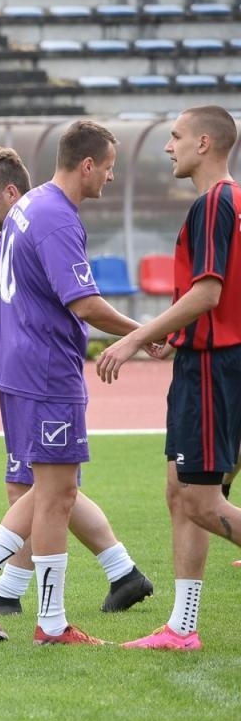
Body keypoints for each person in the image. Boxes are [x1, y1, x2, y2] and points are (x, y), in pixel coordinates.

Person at [0, 121, 160, 645]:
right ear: (87, 164)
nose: (110, 178)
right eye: (109, 167)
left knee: (47, 491)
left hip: (19, 370)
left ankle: (34, 607)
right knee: (55, 493)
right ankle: (2, 596)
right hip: (46, 372)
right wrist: (146, 332)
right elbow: (83, 303)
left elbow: (4, 298)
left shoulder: (27, 208)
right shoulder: (56, 219)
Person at [97, 105, 241, 650]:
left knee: (201, 503)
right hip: (204, 360)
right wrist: (174, 336)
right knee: (180, 494)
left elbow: (208, 293)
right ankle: (182, 627)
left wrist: (133, 337)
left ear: (204, 143)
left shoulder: (215, 202)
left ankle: (183, 627)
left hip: (213, 368)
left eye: (176, 137)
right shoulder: (229, 202)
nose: (168, 147)